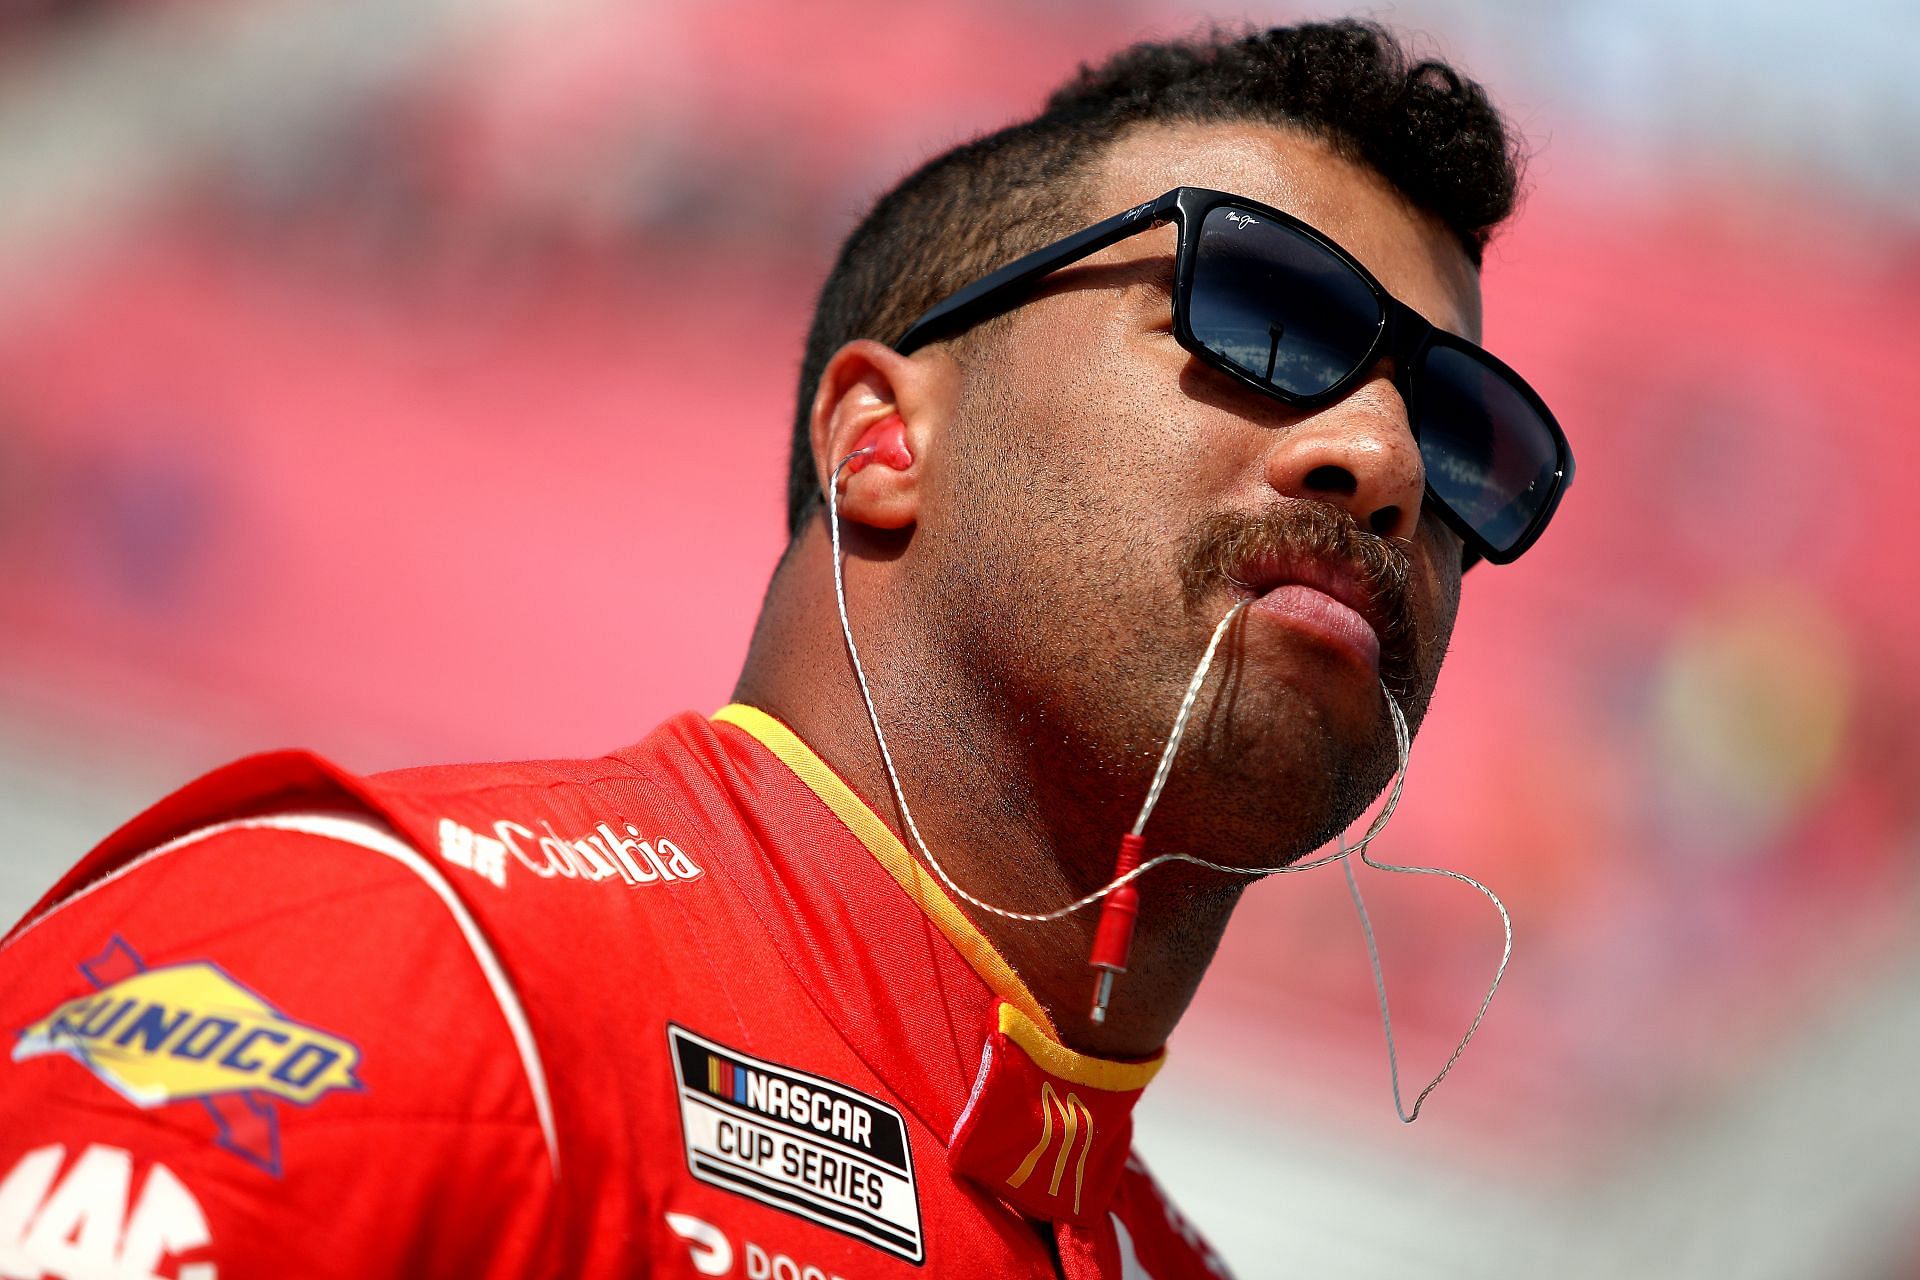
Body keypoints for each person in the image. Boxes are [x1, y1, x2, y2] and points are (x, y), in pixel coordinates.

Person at [0, 19, 1571, 1279]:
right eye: (1263, 311)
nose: (1385, 457)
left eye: (1463, 430)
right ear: (883, 440)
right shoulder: (409, 966)